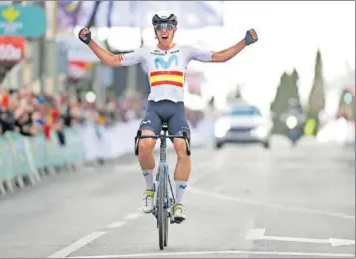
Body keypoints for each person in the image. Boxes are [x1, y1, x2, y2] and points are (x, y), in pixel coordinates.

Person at [78, 11, 258, 222]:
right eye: (160, 28)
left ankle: (179, 203)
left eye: (168, 27)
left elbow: (220, 57)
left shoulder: (186, 51)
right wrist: (90, 42)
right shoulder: (147, 52)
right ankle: (149, 191)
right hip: (154, 108)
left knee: (183, 149)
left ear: (174, 30)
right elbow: (112, 60)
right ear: (156, 32)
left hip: (176, 109)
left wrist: (244, 43)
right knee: (144, 145)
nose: (164, 31)